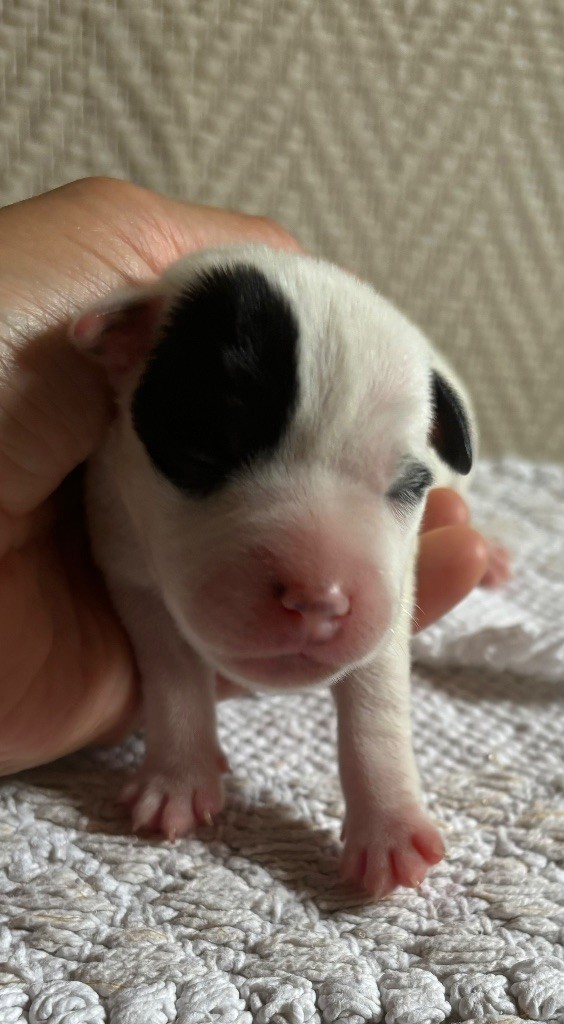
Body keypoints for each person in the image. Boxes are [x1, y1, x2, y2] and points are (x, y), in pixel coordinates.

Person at [0, 177, 489, 777]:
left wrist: (389, 796)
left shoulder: (405, 377)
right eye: (212, 455)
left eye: (401, 487)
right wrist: (180, 753)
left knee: (446, 523)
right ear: (121, 342)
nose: (319, 594)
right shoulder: (129, 409)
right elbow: (141, 595)